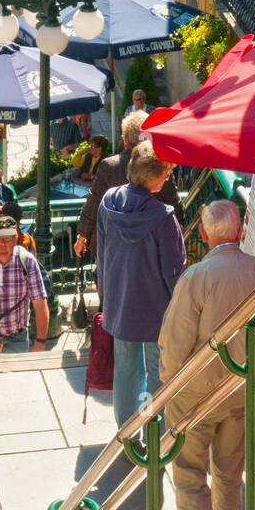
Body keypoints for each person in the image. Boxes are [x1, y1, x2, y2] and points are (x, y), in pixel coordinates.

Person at [158, 199, 255, 510]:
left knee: (189, 479)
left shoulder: (195, 277)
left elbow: (174, 346)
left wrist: (168, 387)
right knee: (230, 475)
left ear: (201, 234)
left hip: (195, 395)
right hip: (242, 389)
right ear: (242, 231)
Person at [96, 140, 186, 430]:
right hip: (155, 308)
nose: (168, 177)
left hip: (119, 301)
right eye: (165, 173)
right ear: (151, 177)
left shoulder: (108, 202)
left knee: (126, 369)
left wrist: (106, 297)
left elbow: (101, 253)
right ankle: (155, 429)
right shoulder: (163, 216)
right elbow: (175, 272)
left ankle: (127, 431)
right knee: (156, 370)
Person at [74, 113, 182, 258]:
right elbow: (175, 205)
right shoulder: (161, 167)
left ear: (125, 141)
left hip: (111, 248)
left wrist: (82, 236)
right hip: (150, 249)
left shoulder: (109, 166)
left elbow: (94, 202)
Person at [0, 215, 48, 355]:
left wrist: (40, 341)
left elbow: (40, 302)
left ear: (16, 239)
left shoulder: (27, 261)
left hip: (17, 338)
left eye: (8, 238)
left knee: (16, 377)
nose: (3, 244)